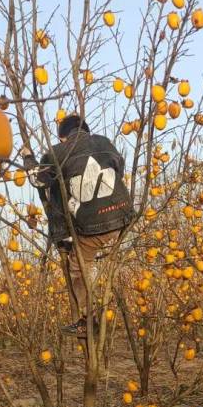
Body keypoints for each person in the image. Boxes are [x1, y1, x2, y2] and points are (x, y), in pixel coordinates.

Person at [27, 115, 134, 338]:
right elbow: (119, 168)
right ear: (85, 130)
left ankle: (88, 319)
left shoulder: (58, 151)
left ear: (62, 136)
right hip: (124, 215)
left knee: (78, 268)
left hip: (94, 224)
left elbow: (38, 180)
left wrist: (29, 159)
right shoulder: (104, 141)